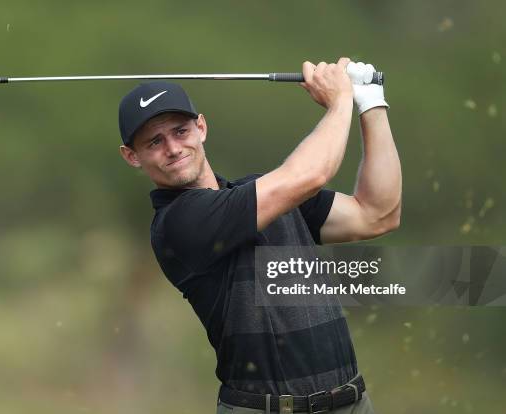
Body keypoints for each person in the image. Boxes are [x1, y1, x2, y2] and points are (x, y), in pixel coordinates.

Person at [118, 57, 401, 414]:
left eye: (180, 131)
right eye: (154, 142)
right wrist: (341, 100)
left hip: (351, 403)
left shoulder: (265, 193)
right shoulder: (178, 222)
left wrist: (371, 104)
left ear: (201, 127)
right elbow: (309, 175)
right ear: (132, 156)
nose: (173, 148)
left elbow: (377, 214)